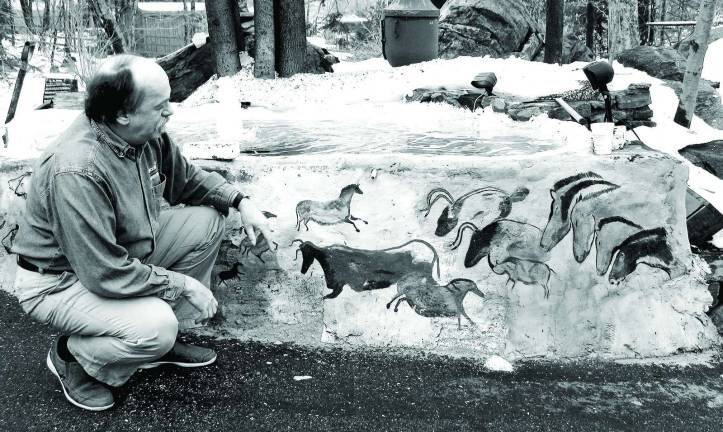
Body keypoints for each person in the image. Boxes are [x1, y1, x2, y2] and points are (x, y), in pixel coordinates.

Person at [11, 54, 275, 411]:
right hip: (59, 280)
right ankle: (75, 358)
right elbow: (103, 272)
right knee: (156, 328)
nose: (170, 113)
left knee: (207, 221)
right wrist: (182, 284)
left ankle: (150, 347)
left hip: (116, 255)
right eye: (160, 106)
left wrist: (240, 201)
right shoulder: (76, 169)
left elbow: (187, 181)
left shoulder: (145, 134)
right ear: (123, 113)